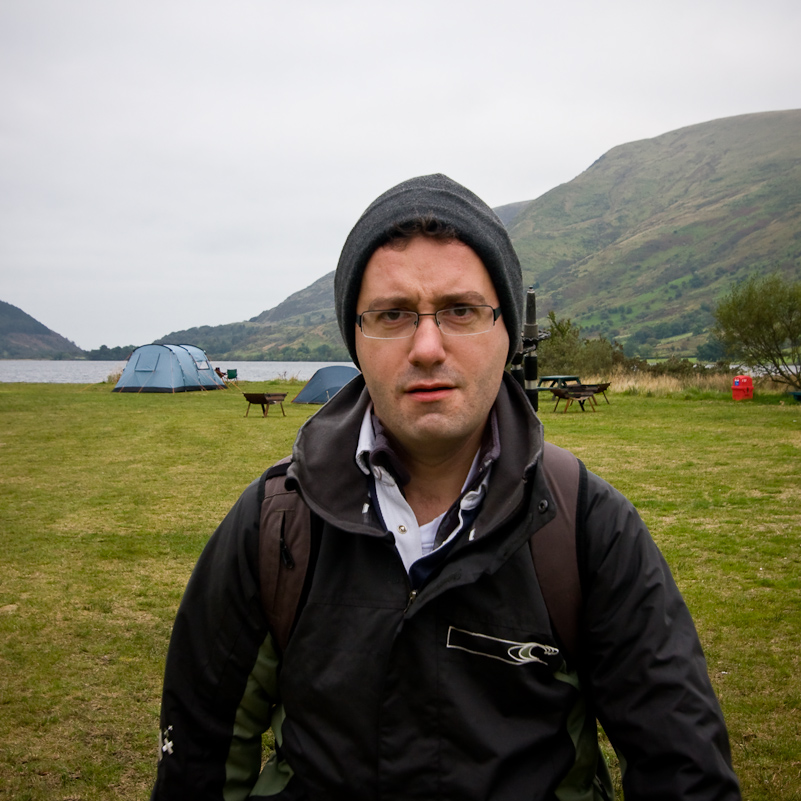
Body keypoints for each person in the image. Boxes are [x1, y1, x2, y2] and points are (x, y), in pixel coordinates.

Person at [151, 174, 740, 800]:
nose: (427, 347)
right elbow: (199, 759)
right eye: (393, 314)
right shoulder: (273, 526)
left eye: (461, 310)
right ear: (356, 338)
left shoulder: (586, 528)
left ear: (507, 332)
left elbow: (685, 772)